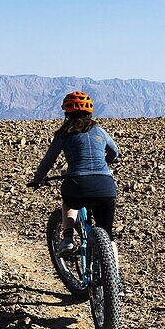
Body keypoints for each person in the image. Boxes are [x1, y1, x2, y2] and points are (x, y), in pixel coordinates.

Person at [27, 91, 119, 255]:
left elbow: (49, 160)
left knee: (69, 202)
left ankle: (68, 238)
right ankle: (114, 277)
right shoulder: (100, 131)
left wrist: (37, 179)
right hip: (105, 186)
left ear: (67, 113)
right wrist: (105, 161)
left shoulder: (64, 133)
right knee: (109, 236)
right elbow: (114, 153)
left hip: (77, 184)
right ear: (89, 112)